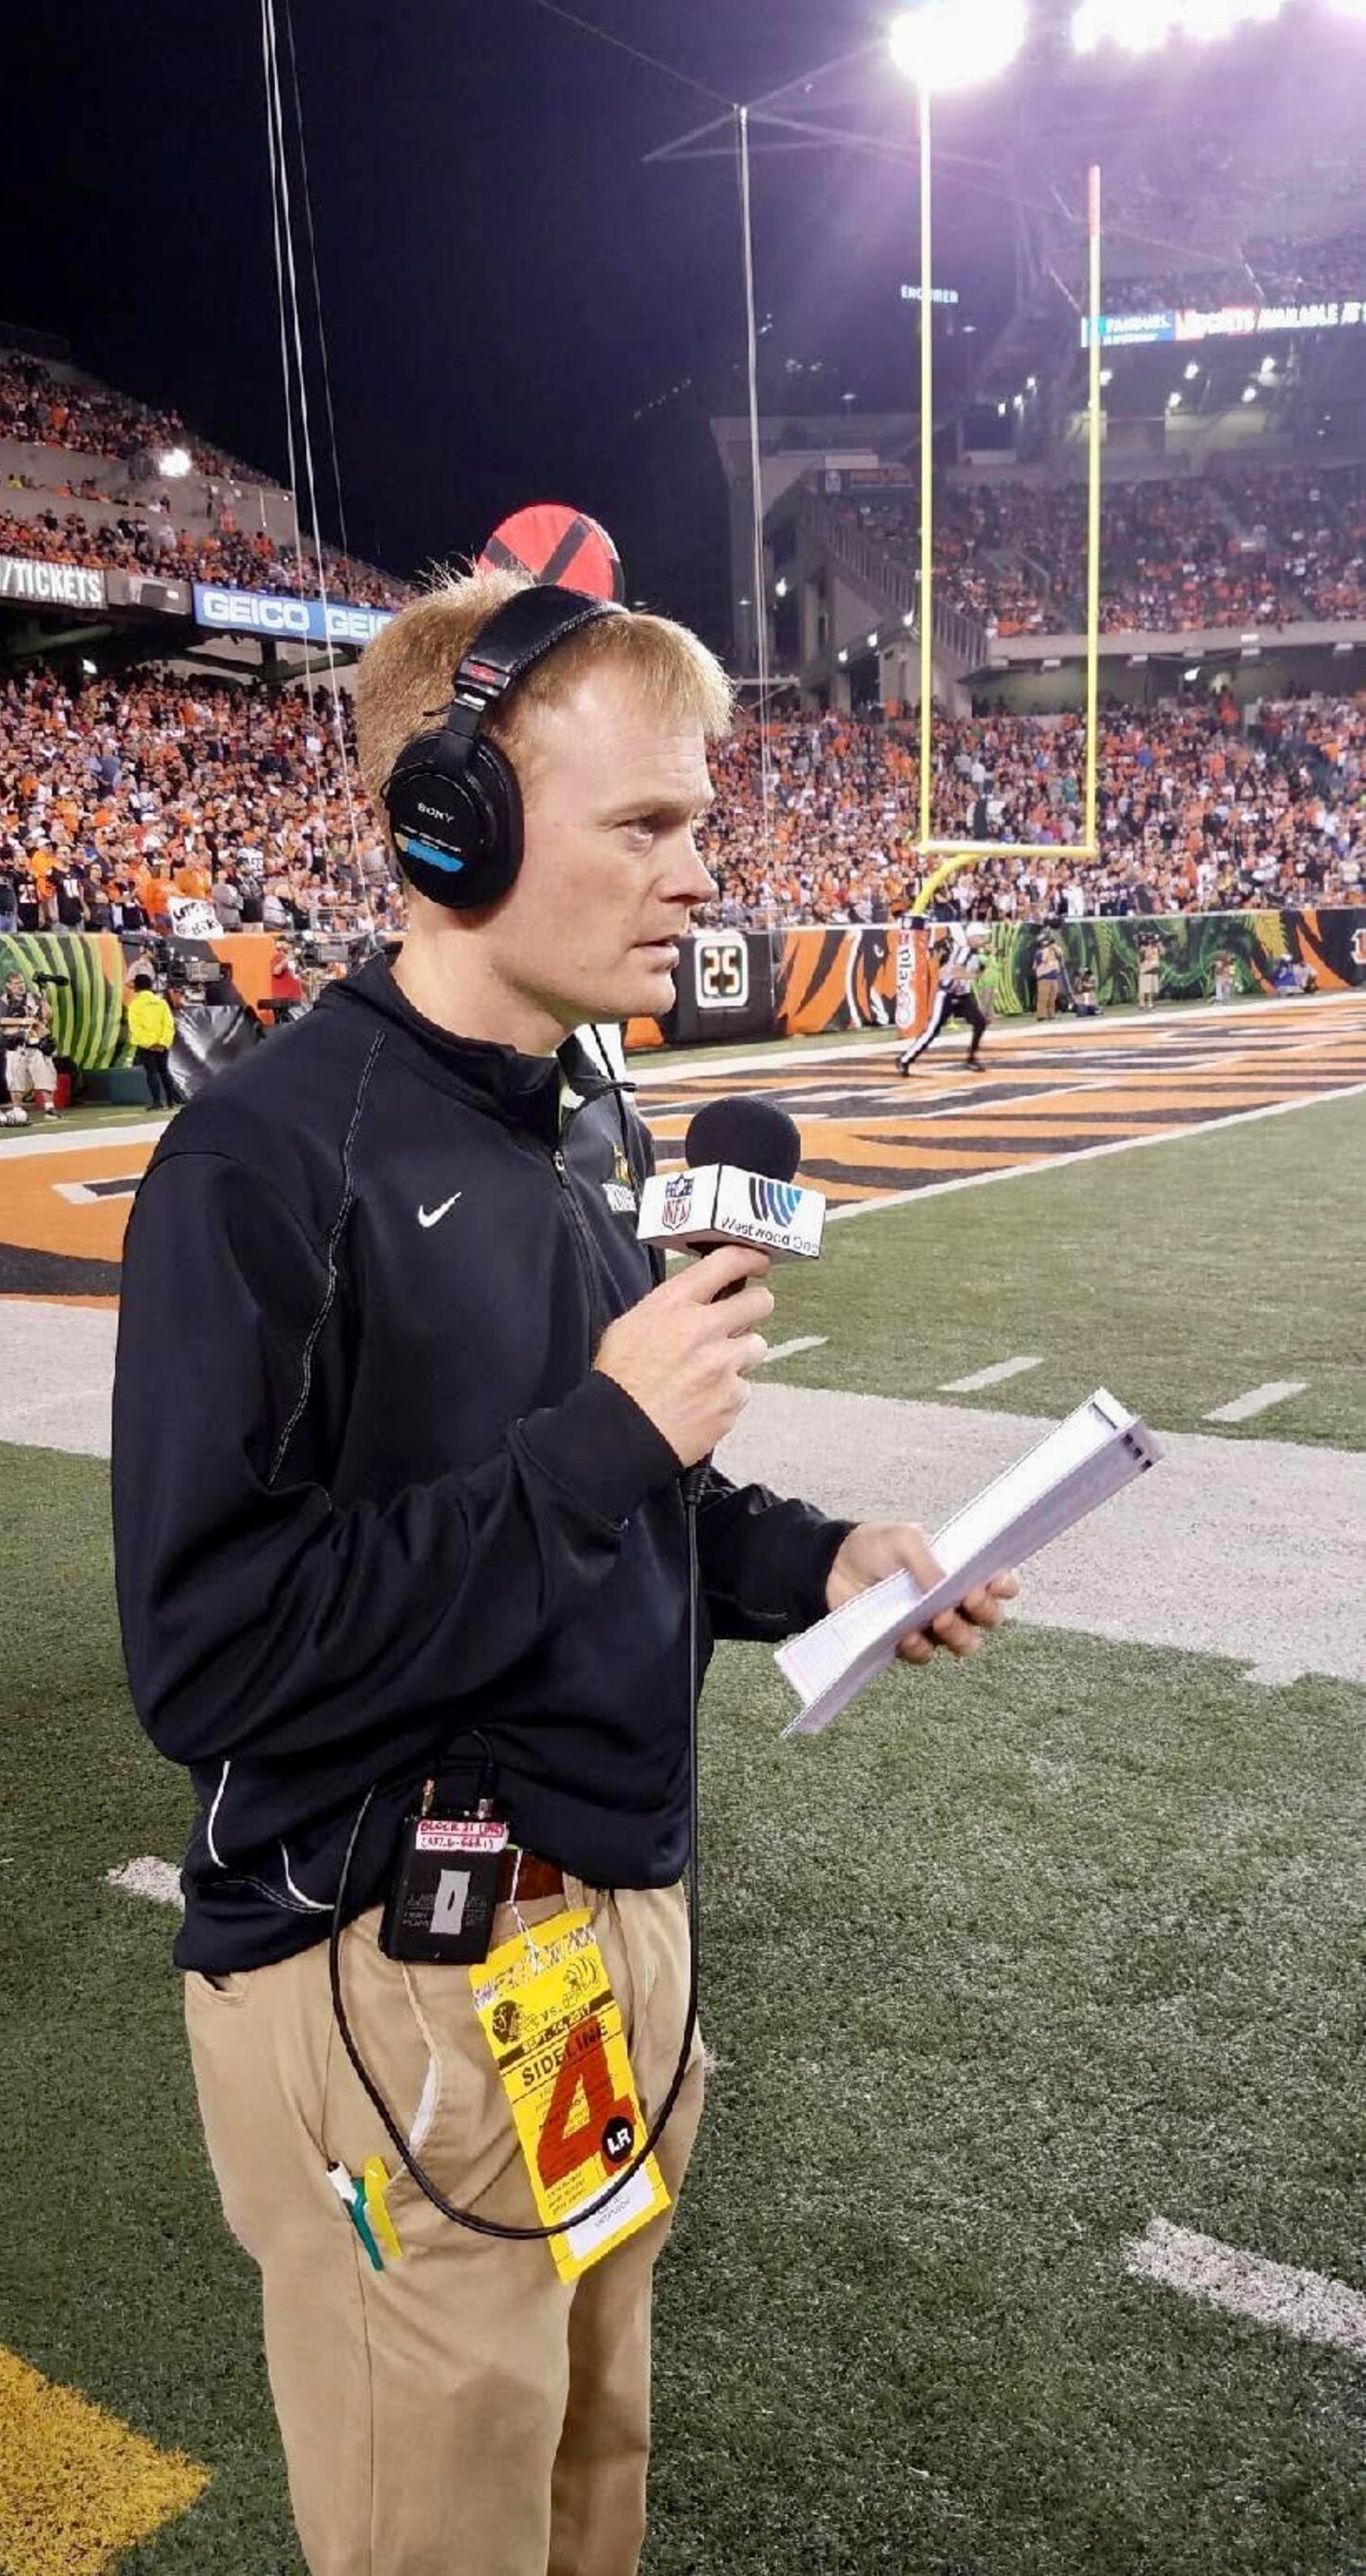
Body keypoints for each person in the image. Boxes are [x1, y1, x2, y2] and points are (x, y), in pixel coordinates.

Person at [112, 572, 1019, 2576]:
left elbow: (624, 1500)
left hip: (577, 1961)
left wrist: (815, 1558)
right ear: (455, 827)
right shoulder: (265, 1164)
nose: (704, 872)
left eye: (698, 819)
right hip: (387, 1977)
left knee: (586, 2473)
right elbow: (206, 1654)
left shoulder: (573, 1115)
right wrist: (604, 1436)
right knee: (441, 2532)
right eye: (647, 825)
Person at [896, 921, 992, 1077]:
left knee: (980, 1022)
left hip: (962, 994)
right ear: (972, 936)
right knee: (932, 1030)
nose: (984, 939)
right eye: (981, 936)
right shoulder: (965, 951)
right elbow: (956, 972)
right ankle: (905, 1059)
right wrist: (977, 975)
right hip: (947, 994)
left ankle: (971, 1058)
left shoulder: (975, 952)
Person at [0, 974, 58, 1115]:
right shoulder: (4, 1000)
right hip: (17, 1044)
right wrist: (24, 1021)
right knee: (16, 1079)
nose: (20, 986)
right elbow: (2, 1021)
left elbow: (48, 1015)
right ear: (9, 986)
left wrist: (42, 996)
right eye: (16, 983)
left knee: (44, 1076)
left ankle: (49, 1108)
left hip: (36, 1044)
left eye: (21, 982)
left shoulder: (34, 997)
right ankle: (17, 1109)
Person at [125, 969, 180, 1108]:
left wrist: (149, 1044)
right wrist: (163, 1042)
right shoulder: (161, 1003)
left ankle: (157, 1102)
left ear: (136, 987)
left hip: (146, 1046)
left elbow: (135, 1028)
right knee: (164, 1071)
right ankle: (171, 1101)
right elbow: (169, 1024)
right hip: (162, 1045)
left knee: (152, 1072)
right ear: (150, 986)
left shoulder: (134, 1005)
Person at [1032, 929, 1065, 1022]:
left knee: (1052, 997)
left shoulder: (1054, 951)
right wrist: (1048, 949)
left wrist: (1055, 948)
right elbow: (1044, 960)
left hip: (1053, 977)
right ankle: (1041, 1015)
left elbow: (1060, 955)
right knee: (1043, 997)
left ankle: (1051, 1014)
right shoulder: (1039, 952)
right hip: (1044, 977)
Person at [1137, 931, 1162, 1011]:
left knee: (1150, 988)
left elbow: (1162, 952)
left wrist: (1158, 944)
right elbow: (1147, 956)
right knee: (1144, 988)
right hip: (1145, 969)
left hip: (1152, 969)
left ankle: (1150, 1003)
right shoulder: (1143, 948)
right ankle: (1142, 1003)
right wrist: (1151, 948)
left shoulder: (1154, 947)